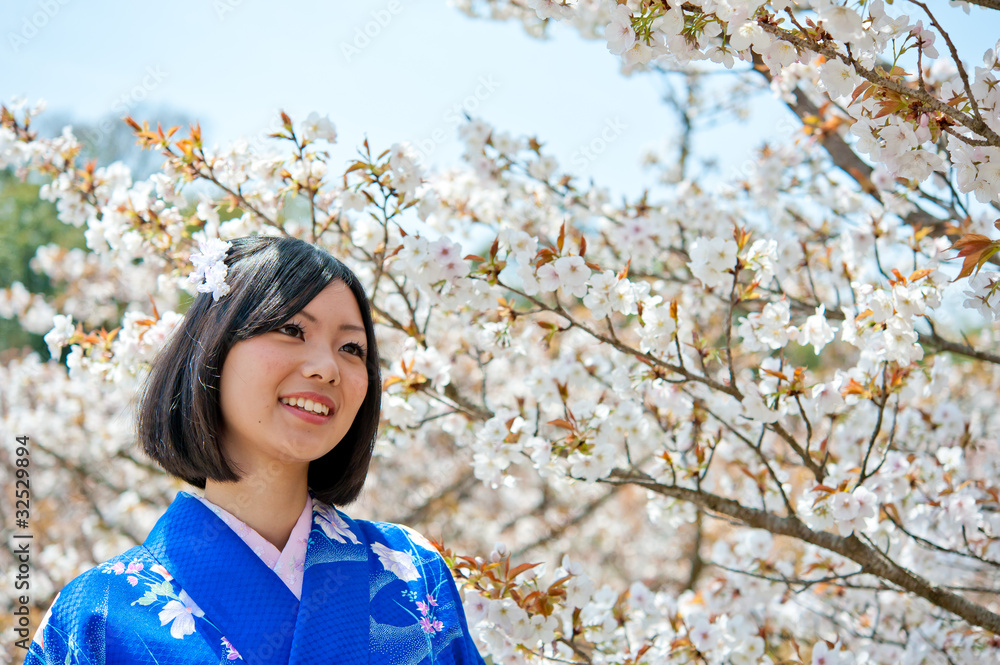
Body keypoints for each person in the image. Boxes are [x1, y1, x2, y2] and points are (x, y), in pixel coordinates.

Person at [25, 235, 486, 665]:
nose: (328, 368)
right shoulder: (100, 615)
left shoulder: (413, 572)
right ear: (213, 348)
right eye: (291, 329)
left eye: (351, 347)